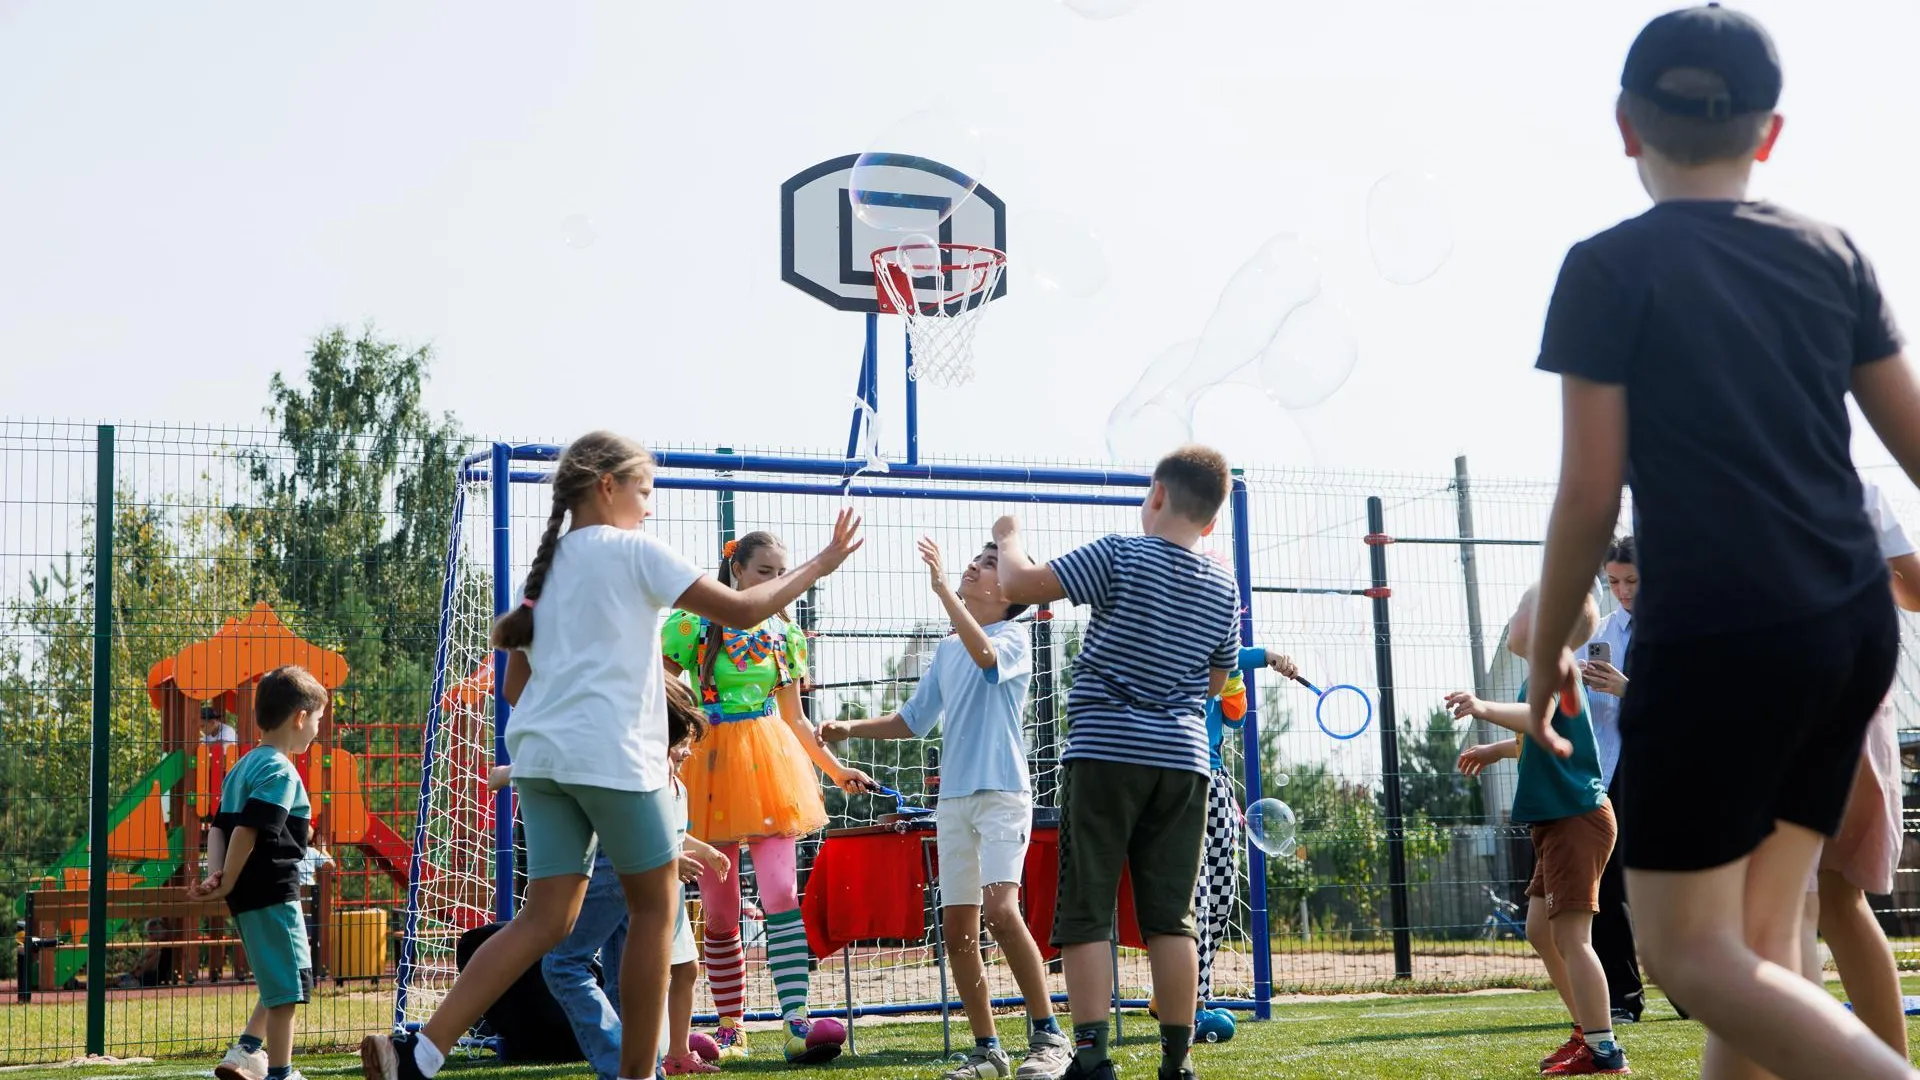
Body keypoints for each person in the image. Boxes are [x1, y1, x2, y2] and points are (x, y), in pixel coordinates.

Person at [1523, 7, 1920, 1079]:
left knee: (1693, 955)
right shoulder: (1831, 253)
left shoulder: (1608, 268)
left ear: (1625, 125)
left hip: (1725, 635)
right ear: (1770, 132)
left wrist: (1551, 643)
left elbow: (1589, 492)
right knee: (1764, 944)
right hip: (1847, 630)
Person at [358, 431, 863, 1080]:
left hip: (540, 764)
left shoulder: (546, 571)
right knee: (654, 909)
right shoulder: (634, 553)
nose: (649, 506)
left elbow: (515, 687)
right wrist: (819, 563)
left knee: (542, 922)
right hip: (615, 760)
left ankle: (419, 1052)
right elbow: (741, 612)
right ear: (607, 486)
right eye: (644, 490)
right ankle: (638, 1074)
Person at [991, 445, 1243, 1080]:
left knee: (1087, 909)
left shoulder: (1118, 553)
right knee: (1171, 916)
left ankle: (1095, 1057)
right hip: (1184, 762)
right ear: (1211, 521)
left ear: (1155, 495)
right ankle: (1176, 1062)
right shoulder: (1223, 584)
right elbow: (1219, 679)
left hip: (1105, 753)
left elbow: (1018, 584)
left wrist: (1008, 535)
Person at [817, 537, 1069, 1080]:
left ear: (1009, 594)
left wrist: (939, 590)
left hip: (1003, 795)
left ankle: (1049, 1036)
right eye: (975, 561)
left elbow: (985, 657)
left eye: (988, 565)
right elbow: (912, 720)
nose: (974, 567)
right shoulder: (947, 649)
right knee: (957, 930)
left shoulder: (1012, 637)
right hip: (952, 802)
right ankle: (988, 1052)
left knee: (1002, 912)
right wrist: (849, 728)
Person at [660, 530, 874, 1065]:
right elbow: (659, 694)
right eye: (765, 574)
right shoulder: (692, 624)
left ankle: (796, 1020)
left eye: (783, 574)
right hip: (707, 767)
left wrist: (836, 768)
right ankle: (731, 1027)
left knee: (781, 896)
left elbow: (796, 720)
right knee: (721, 909)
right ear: (737, 572)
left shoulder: (787, 636)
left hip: (772, 769)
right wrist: (664, 755)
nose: (777, 584)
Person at [492, 676, 732, 1079]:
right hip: (635, 877)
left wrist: (514, 771)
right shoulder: (636, 748)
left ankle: (626, 1067)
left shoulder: (630, 748)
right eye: (683, 738)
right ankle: (643, 1067)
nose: (687, 750)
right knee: (626, 981)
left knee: (563, 966)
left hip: (617, 867)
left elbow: (571, 768)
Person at [1452, 588, 1623, 1076]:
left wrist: (1481, 706)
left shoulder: (1557, 667)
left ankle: (1604, 1047)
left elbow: (1538, 720)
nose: (1512, 617)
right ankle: (1584, 1030)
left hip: (1576, 819)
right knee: (1540, 930)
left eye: (1522, 610)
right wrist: (1495, 750)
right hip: (1560, 821)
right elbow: (1542, 735)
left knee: (1571, 936)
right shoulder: (1543, 675)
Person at [1797, 480, 1920, 1055]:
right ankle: (1890, 1067)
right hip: (1859, 701)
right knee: (1840, 899)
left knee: (1788, 904)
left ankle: (1809, 1062)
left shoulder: (1718, 473)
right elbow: (1914, 589)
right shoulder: (1857, 489)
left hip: (1780, 705)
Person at [191, 665, 331, 1080]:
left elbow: (219, 827)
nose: (318, 731)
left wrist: (217, 877)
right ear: (300, 718)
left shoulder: (242, 766)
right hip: (273, 891)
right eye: (319, 721)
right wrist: (227, 878)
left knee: (277, 972)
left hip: (248, 896)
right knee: (291, 983)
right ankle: (282, 1072)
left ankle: (246, 1053)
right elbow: (249, 830)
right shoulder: (281, 771)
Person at [1190, 646, 1294, 1032]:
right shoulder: (1176, 636)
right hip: (1181, 776)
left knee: (1221, 894)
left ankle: (1189, 994)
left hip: (1215, 779)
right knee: (1196, 896)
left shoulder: (1224, 657)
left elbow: (1233, 719)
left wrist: (1244, 672)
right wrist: (1267, 656)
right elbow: (1228, 654)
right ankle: (1191, 1003)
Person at [1576, 536, 1643, 1024]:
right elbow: (1585, 714)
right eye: (1613, 581)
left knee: (1670, 882)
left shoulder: (1679, 631)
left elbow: (1691, 705)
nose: (1621, 591)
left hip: (1666, 772)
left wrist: (1627, 688)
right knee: (1608, 884)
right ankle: (1624, 997)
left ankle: (1696, 990)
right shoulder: (1600, 633)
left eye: (1632, 581)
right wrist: (1578, 681)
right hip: (1610, 771)